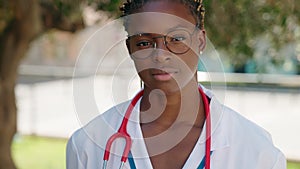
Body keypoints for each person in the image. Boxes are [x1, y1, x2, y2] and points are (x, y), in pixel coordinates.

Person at [66, 0, 287, 168]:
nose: (160, 55)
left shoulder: (258, 152)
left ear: (200, 41)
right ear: (130, 49)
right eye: (144, 42)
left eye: (177, 39)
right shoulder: (88, 144)